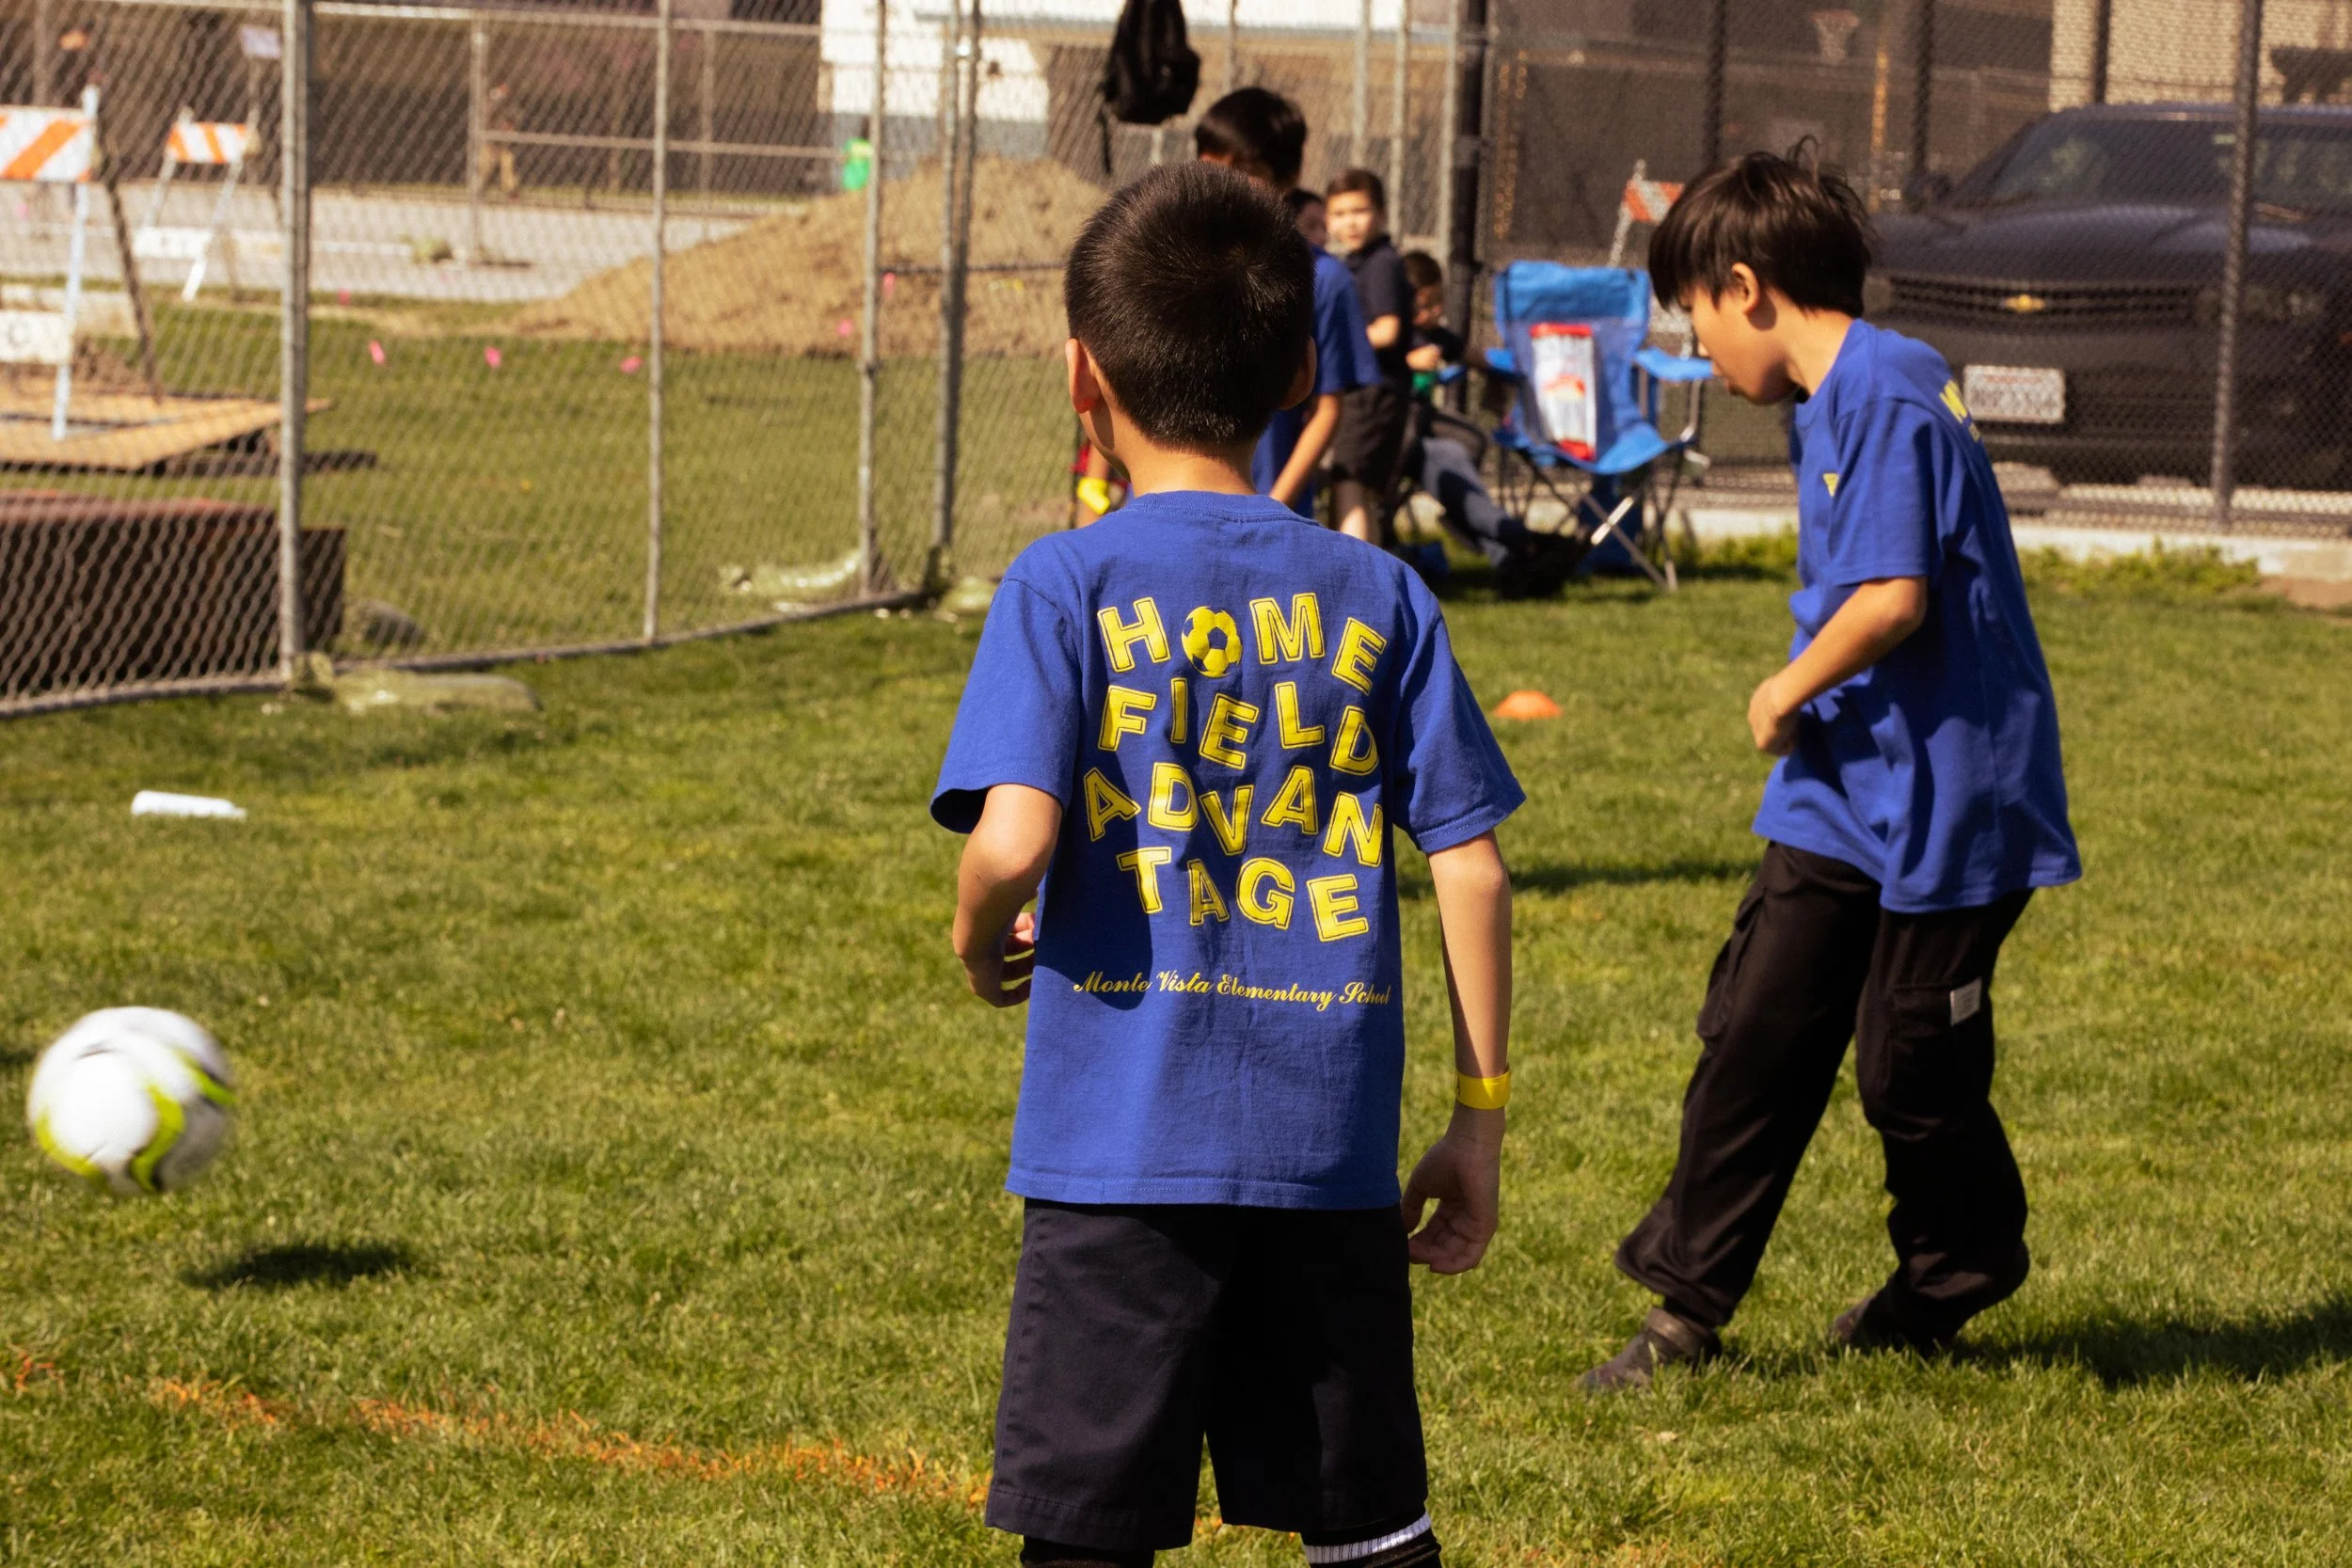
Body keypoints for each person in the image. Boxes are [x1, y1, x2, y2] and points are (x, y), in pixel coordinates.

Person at [933, 161, 1523, 1567]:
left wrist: (974, 934)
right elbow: (1475, 868)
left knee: (1088, 1536)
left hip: (1115, 1161)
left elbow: (1012, 841)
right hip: (1327, 1158)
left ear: (1082, 375)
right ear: (1302, 371)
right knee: (1365, 1529)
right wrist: (1478, 1118)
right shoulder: (1382, 591)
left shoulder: (1062, 580)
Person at [1581, 151, 2081, 1393]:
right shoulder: (1832, 398)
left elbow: (1894, 597)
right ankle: (1683, 1312)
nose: (1699, 349)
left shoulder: (1888, 390)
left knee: (1908, 1066)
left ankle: (1959, 1262)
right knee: (1755, 1028)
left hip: (1954, 798)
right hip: (1845, 779)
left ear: (1744, 287)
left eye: (1694, 316)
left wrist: (1782, 685)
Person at [1194, 87, 1375, 520]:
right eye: (1211, 168)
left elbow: (1327, 410)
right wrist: (1097, 495)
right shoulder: (1173, 262)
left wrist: (1272, 509)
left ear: (1288, 177)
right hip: (1165, 512)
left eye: (1245, 171)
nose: (1224, 184)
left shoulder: (1323, 279)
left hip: (1266, 508)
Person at [1393, 252, 1581, 599]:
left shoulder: (1434, 335)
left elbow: (1469, 354)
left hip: (1424, 433)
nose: (1435, 312)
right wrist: (1407, 362)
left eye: (1438, 303)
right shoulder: (1393, 336)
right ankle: (1526, 544)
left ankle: (1514, 558)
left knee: (1458, 455)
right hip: (1394, 440)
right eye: (1425, 306)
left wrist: (1497, 373)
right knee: (1448, 461)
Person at [1325, 169, 1413, 546]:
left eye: (1359, 211)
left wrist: (1333, 344)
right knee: (1356, 487)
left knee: (1348, 481)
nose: (1350, 222)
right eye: (1339, 213)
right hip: (1369, 391)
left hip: (1374, 391)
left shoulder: (1380, 263)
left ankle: (1352, 572)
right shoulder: (1357, 262)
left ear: (1381, 214)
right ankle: (1371, 570)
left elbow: (1387, 330)